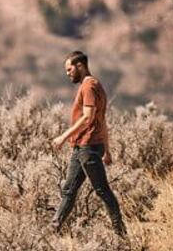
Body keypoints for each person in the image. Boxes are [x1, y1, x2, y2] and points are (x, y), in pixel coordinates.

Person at [51, 51, 127, 236]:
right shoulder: (95, 85)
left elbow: (88, 117)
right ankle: (54, 228)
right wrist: (107, 150)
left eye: (69, 69)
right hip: (84, 146)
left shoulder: (89, 87)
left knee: (102, 190)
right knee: (69, 189)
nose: (67, 74)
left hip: (88, 147)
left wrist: (63, 137)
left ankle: (121, 233)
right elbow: (102, 121)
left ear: (80, 66)